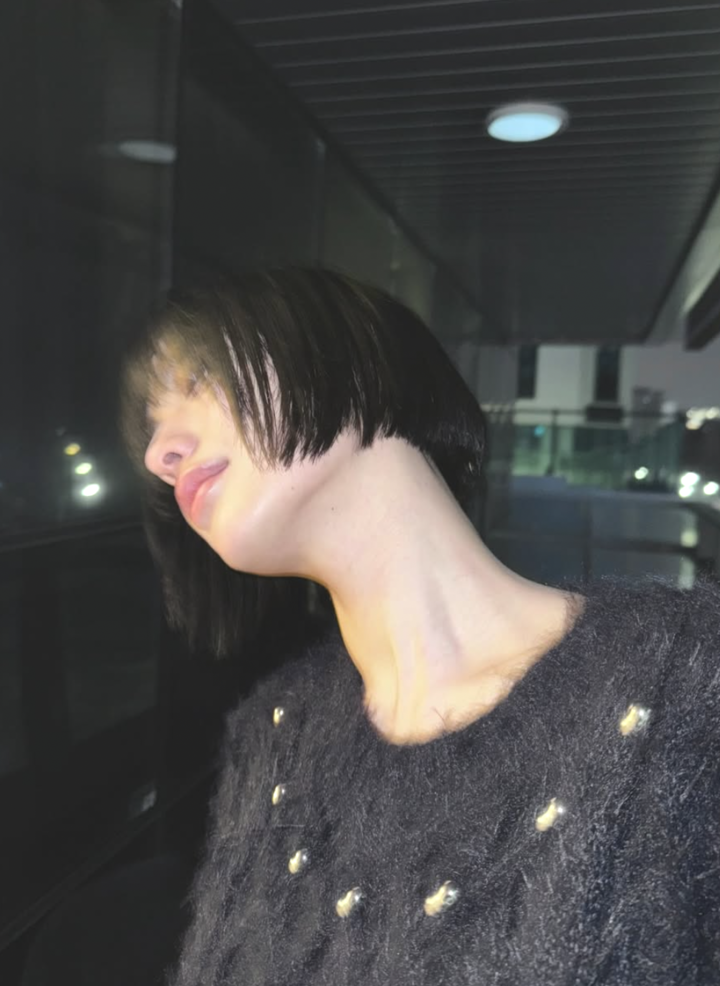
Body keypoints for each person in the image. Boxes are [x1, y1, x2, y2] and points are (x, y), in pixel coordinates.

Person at [121, 267, 720, 985]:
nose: (158, 456)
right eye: (150, 431)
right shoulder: (268, 742)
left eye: (194, 381)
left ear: (344, 353)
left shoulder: (688, 684)